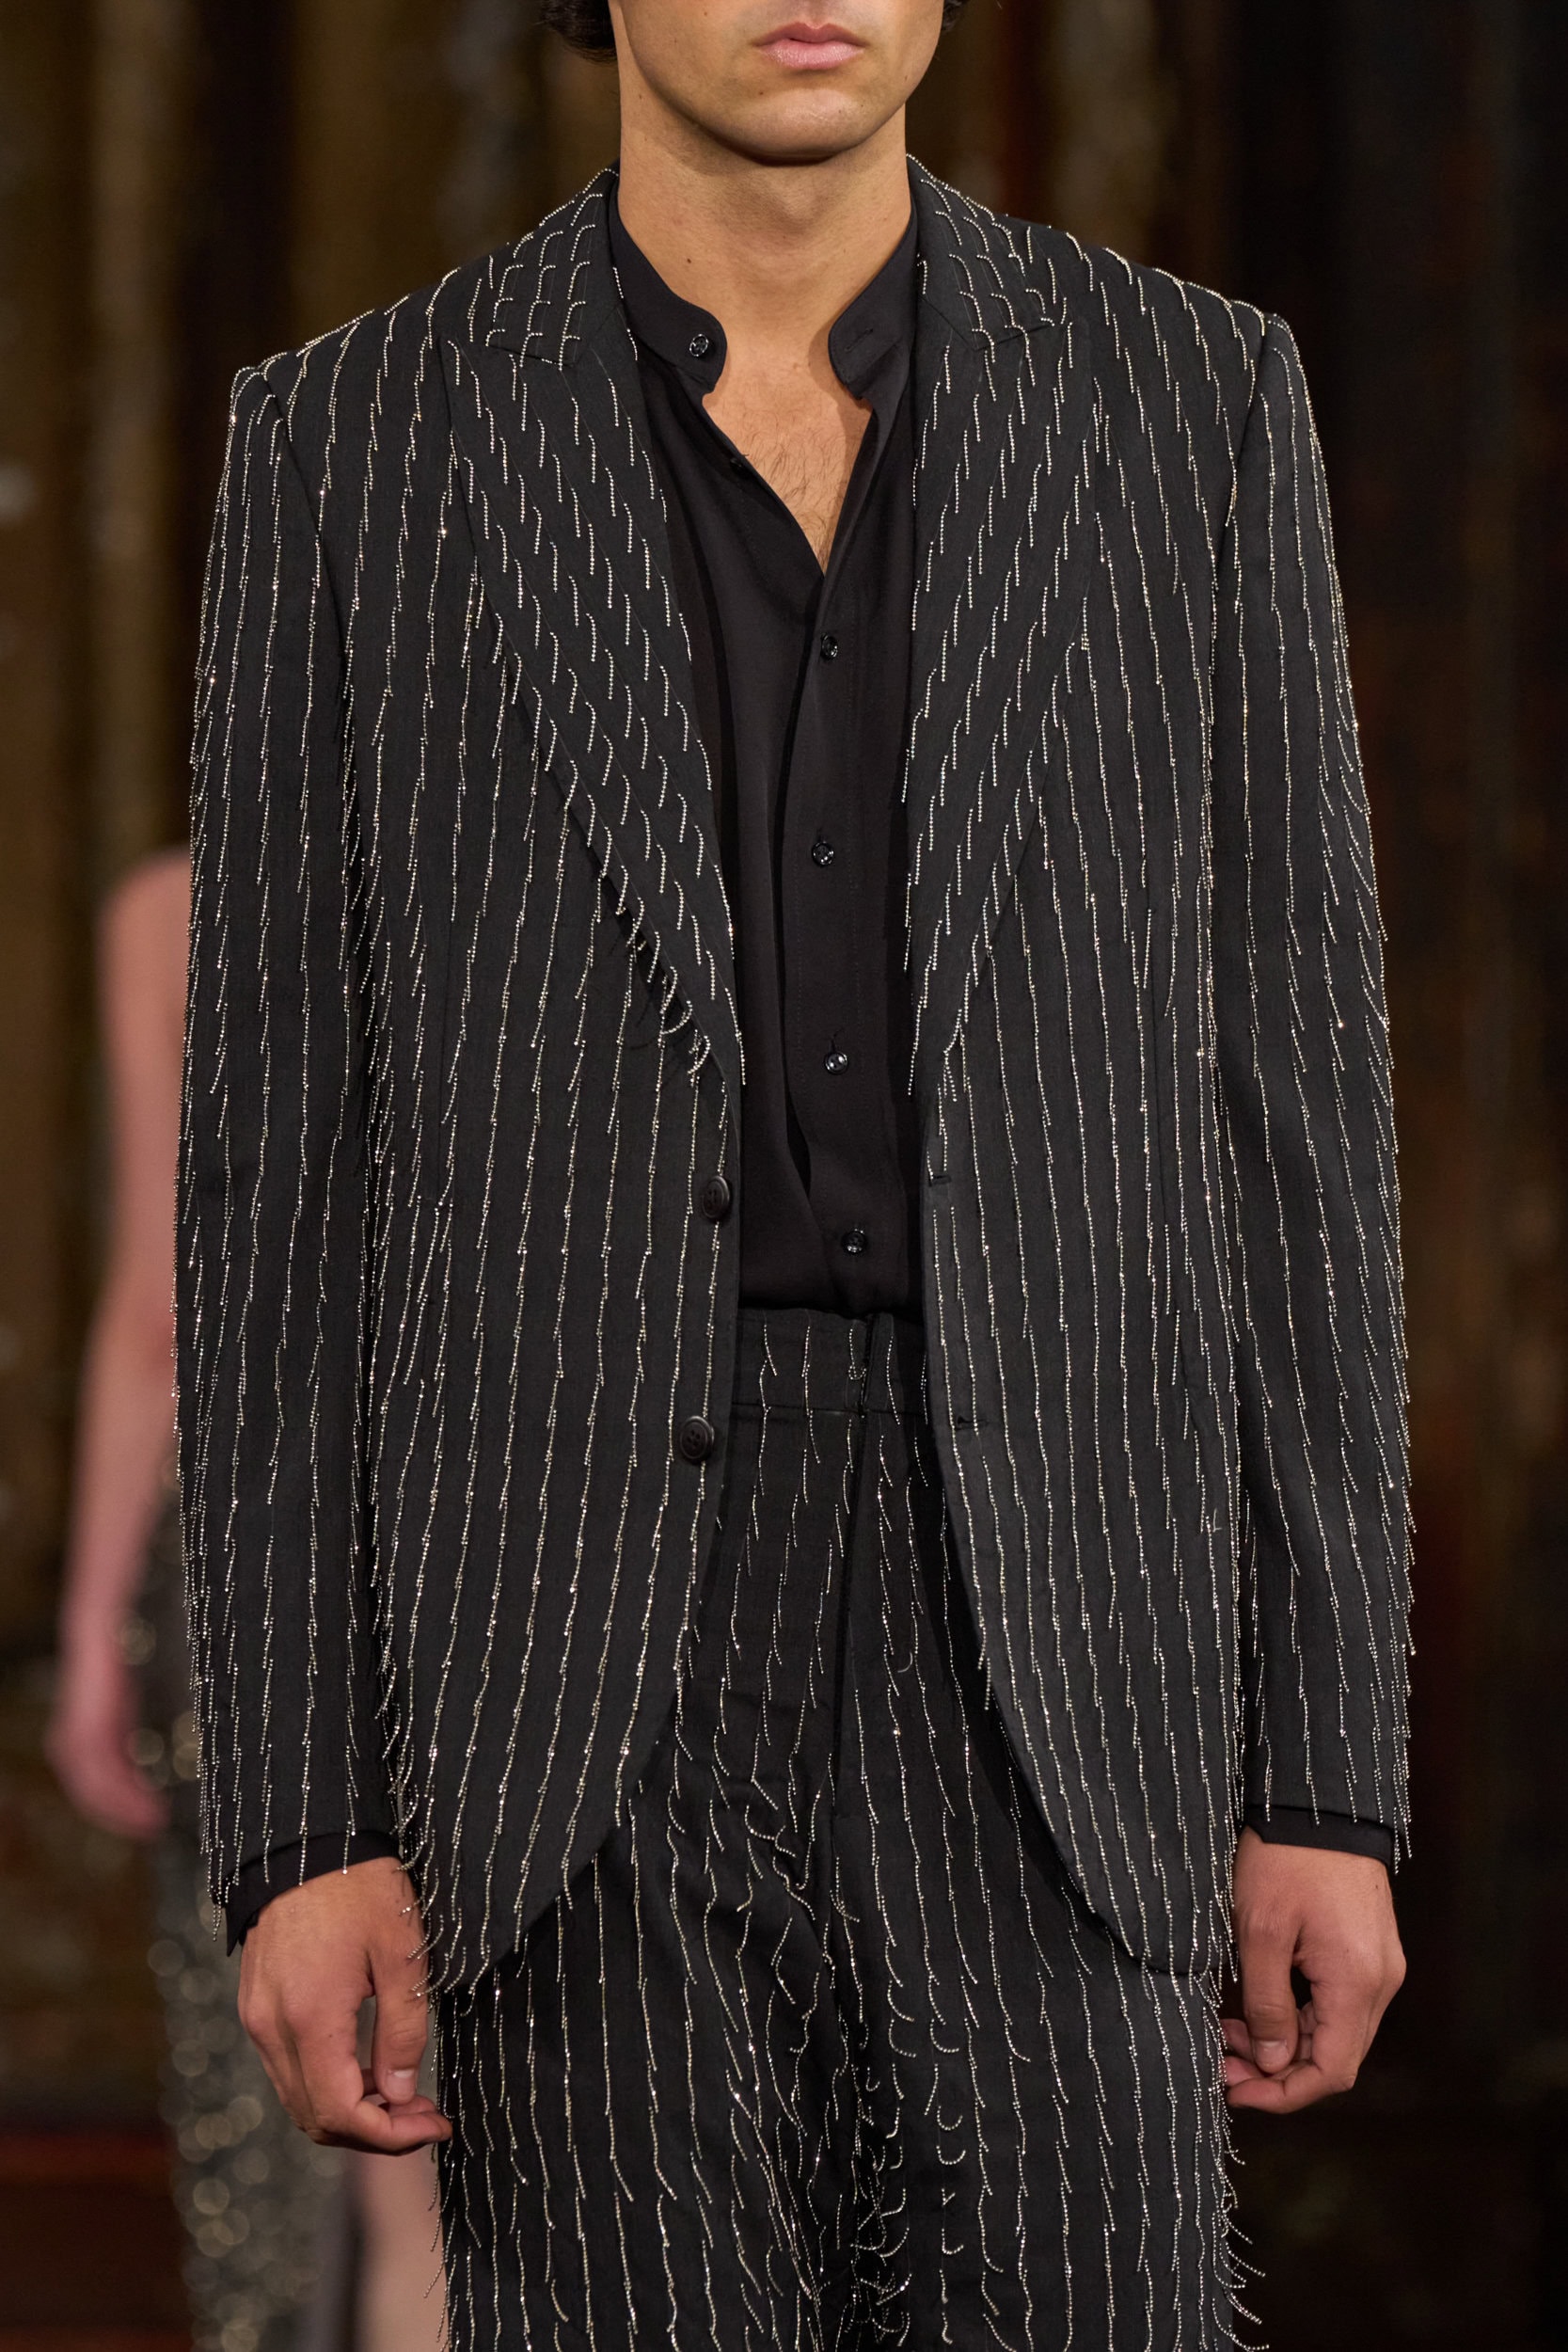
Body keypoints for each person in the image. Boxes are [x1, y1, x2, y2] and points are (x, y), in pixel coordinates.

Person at [177, 2, 1412, 2344]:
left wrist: (1331, 1767)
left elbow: (1299, 1125)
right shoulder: (355, 439)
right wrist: (305, 1820)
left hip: (1065, 1623)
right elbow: (275, 1186)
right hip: (566, 1642)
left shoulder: (1194, 403)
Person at [50, 850, 444, 2352]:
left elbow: (161, 1307)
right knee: (451, 2135)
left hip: (253, 1565)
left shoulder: (174, 911)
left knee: (312, 2134)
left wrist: (94, 1628)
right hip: (488, 1542)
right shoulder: (520, 857)